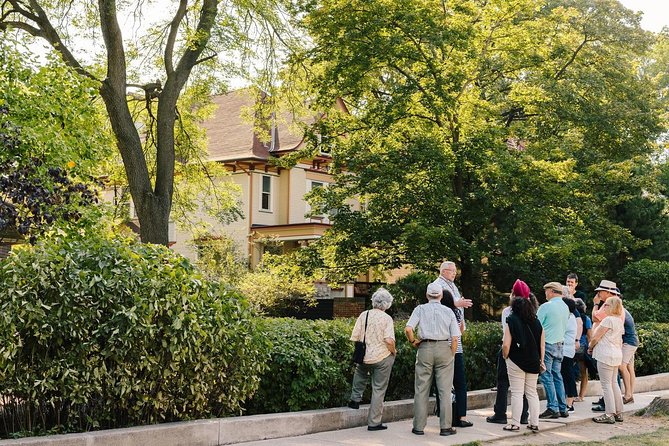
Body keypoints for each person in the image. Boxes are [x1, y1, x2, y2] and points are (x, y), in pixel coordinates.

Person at [405, 282, 462, 437]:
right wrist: (451, 353)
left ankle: (418, 427)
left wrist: (413, 341)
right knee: (444, 390)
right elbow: (455, 337)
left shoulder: (420, 309)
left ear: (427, 295)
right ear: (441, 296)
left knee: (421, 389)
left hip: (425, 347)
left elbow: (408, 328)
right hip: (444, 348)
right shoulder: (448, 311)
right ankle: (445, 427)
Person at [348, 288, 397, 431]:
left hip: (364, 356)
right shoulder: (387, 318)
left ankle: (355, 399)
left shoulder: (364, 314)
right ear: (387, 304)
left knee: (360, 372)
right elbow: (389, 340)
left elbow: (355, 336)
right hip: (382, 357)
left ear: (374, 301)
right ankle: (374, 422)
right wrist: (393, 352)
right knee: (379, 388)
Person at [432, 261, 473, 428]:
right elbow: (438, 306)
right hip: (444, 344)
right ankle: (446, 416)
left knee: (459, 381)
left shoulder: (453, 286)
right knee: (444, 384)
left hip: (456, 343)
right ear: (443, 271)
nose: (454, 273)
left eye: (455, 271)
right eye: (451, 270)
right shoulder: (437, 285)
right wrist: (457, 304)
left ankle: (461, 416)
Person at [486, 280, 532, 425]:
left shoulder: (507, 312)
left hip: (509, 349)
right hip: (526, 351)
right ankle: (524, 415)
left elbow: (506, 333)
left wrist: (505, 353)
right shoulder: (532, 312)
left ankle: (500, 413)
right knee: (524, 384)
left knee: (503, 382)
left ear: (513, 295)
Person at [502, 288, 545, 433]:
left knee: (517, 393)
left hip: (516, 361)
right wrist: (541, 360)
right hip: (533, 361)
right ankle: (534, 423)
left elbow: (506, 344)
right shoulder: (537, 322)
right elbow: (542, 344)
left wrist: (505, 356)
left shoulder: (511, 320)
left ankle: (515, 423)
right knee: (532, 392)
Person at [588, 296, 625, 424]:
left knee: (606, 385)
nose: (604, 307)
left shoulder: (607, 320)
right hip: (616, 354)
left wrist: (590, 347)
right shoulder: (619, 321)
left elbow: (595, 338)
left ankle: (609, 413)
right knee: (614, 383)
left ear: (612, 307)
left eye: (606, 305)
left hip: (605, 354)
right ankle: (619, 412)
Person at [537, 282, 570, 419]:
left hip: (547, 344)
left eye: (546, 291)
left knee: (546, 376)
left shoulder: (546, 306)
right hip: (560, 344)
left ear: (551, 291)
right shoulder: (565, 307)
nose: (545, 294)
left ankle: (552, 407)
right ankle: (563, 408)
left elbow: (536, 325)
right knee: (557, 376)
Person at [573, 298, 595, 402]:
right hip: (582, 348)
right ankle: (581, 396)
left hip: (572, 347)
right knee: (584, 373)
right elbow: (590, 335)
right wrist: (591, 348)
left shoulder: (571, 318)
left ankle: (570, 395)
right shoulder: (586, 319)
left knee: (570, 371)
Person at [560, 297, 579, 411]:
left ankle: (570, 402)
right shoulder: (569, 317)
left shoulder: (569, 318)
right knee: (565, 375)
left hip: (566, 351)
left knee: (567, 375)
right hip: (566, 350)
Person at [619, 297, 639, 404]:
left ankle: (627, 395)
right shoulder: (624, 310)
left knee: (622, 366)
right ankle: (630, 394)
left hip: (629, 342)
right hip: (633, 341)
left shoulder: (621, 311)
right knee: (630, 368)